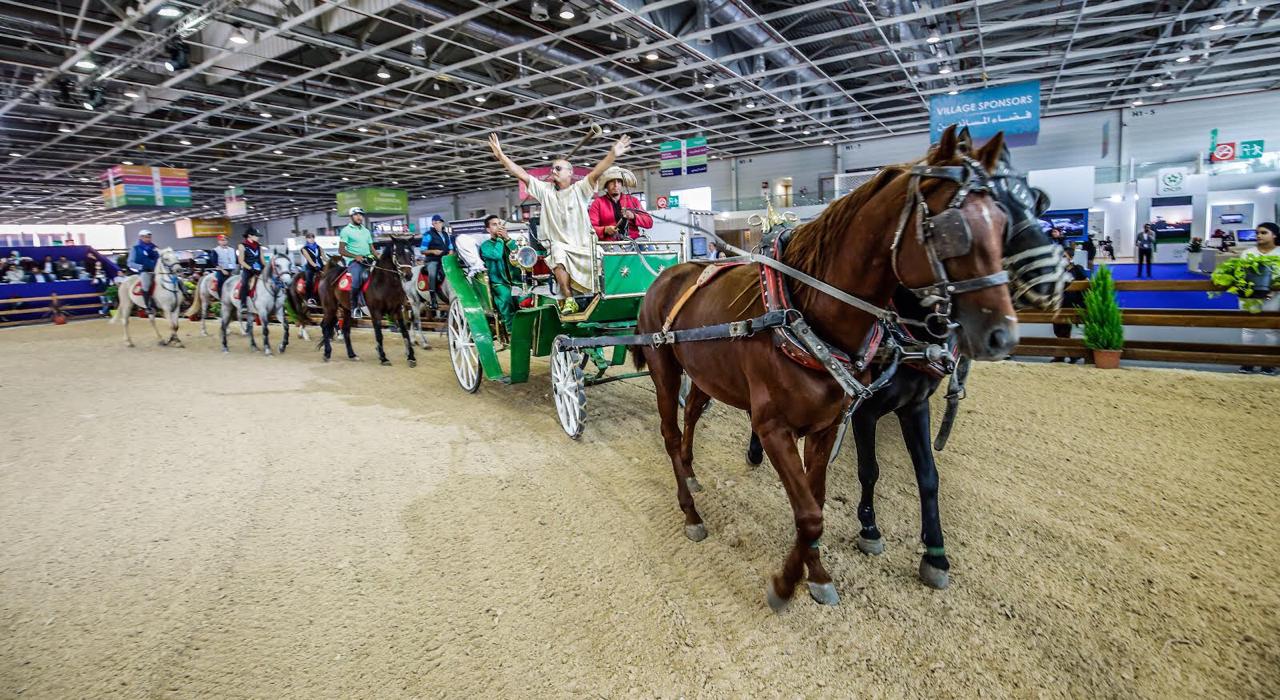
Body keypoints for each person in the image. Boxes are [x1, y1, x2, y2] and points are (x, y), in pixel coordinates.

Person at [488, 131, 631, 313]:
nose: (553, 171)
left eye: (558, 168)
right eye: (552, 168)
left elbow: (597, 172)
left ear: (570, 173)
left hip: (585, 246)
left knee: (603, 257)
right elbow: (521, 173)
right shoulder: (545, 191)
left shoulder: (580, 189)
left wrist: (612, 154)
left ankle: (610, 296)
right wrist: (501, 156)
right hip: (561, 248)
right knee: (557, 251)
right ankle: (569, 299)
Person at [1238, 221, 1279, 375]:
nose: (1259, 235)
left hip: (1273, 297)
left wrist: (1273, 290)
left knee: (1271, 330)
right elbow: (1240, 273)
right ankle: (1248, 361)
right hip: (1249, 297)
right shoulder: (1248, 252)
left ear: (1274, 235)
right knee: (1249, 328)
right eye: (1257, 233)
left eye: (1263, 232)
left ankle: (1269, 363)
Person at [478, 215, 520, 331]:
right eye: (494, 224)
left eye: (499, 224)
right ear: (488, 229)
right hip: (499, 283)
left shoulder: (506, 241)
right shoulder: (485, 246)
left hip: (515, 281)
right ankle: (510, 330)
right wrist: (501, 239)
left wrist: (507, 239)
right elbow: (496, 255)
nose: (498, 226)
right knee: (506, 298)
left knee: (526, 297)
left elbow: (518, 253)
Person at [589, 166, 653, 241]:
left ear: (622, 185)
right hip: (610, 244)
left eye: (619, 182)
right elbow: (590, 228)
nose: (616, 185)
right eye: (612, 182)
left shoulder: (633, 200)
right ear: (606, 185)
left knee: (649, 248)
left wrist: (634, 216)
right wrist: (604, 230)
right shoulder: (597, 203)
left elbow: (649, 222)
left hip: (634, 240)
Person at [1051, 249, 1090, 364]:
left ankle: (1063, 356)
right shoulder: (1056, 270)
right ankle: (1071, 355)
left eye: (1064, 256)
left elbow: (1086, 282)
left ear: (1070, 258)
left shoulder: (1077, 269)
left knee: (1065, 330)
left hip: (1071, 303)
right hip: (1058, 303)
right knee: (1058, 330)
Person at [338, 206, 374, 317]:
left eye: (361, 215)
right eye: (356, 215)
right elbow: (341, 250)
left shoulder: (366, 231)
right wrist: (355, 256)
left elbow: (371, 248)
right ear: (351, 217)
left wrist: (378, 255)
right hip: (355, 262)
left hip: (369, 259)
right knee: (357, 279)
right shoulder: (346, 231)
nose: (359, 217)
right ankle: (355, 307)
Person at [419, 215, 451, 316]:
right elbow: (422, 250)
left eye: (440, 222)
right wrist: (433, 251)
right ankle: (433, 299)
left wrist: (450, 253)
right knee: (433, 272)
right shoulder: (428, 235)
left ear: (442, 223)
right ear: (433, 224)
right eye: (436, 223)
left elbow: (450, 247)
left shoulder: (446, 234)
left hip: (445, 259)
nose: (438, 224)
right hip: (432, 260)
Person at [127, 230, 159, 311]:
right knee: (146, 285)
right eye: (146, 237)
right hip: (145, 272)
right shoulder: (135, 249)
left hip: (157, 271)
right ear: (141, 237)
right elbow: (130, 263)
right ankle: (148, 306)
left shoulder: (155, 248)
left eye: (150, 237)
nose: (149, 239)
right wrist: (141, 267)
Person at [236, 228, 263, 317]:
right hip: (248, 270)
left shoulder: (259, 246)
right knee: (244, 284)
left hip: (259, 269)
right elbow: (241, 261)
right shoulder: (242, 245)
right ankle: (243, 304)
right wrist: (250, 268)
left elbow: (262, 260)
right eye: (256, 236)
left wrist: (268, 267)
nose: (258, 238)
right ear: (250, 236)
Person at [300, 232, 325, 301]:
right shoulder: (304, 249)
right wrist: (315, 266)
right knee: (309, 281)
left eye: (312, 237)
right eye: (309, 238)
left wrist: (331, 261)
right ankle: (309, 297)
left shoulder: (319, 247)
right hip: (310, 267)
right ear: (306, 239)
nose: (311, 239)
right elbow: (309, 259)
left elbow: (324, 257)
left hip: (321, 266)